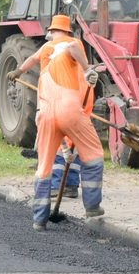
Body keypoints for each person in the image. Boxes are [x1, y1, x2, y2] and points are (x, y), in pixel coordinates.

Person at [8, 13, 103, 231]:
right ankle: (92, 206)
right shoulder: (71, 42)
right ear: (68, 31)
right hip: (69, 109)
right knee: (94, 156)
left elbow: (30, 60)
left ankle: (39, 219)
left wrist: (18, 71)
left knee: (43, 167)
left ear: (51, 32)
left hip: (45, 114)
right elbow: (73, 50)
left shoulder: (46, 49)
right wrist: (88, 68)